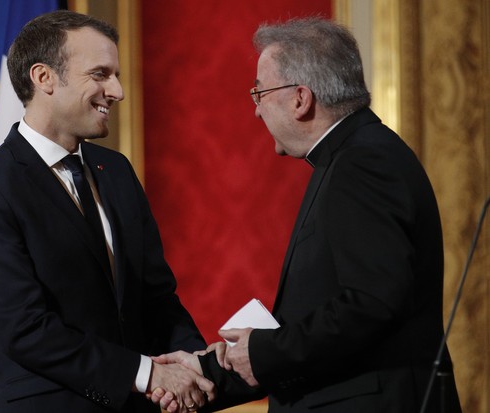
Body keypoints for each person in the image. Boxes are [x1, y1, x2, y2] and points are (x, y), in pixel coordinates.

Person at [153, 17, 462, 412]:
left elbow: (371, 304)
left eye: (259, 93)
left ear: (300, 99)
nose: (257, 112)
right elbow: (322, 315)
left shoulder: (362, 163)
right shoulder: (348, 157)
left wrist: (261, 352)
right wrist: (213, 369)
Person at [0, 10, 213, 413]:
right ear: (44, 78)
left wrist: (193, 364)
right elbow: (26, 329)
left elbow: (156, 296)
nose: (118, 91)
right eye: (101, 74)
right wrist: (148, 374)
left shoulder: (117, 171)